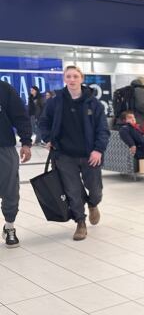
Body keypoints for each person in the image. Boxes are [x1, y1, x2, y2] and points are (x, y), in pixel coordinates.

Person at [39, 65, 110, 241]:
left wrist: (98, 150)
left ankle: (93, 204)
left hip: (90, 155)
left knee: (95, 189)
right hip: (64, 155)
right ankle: (80, 222)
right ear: (64, 79)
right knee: (72, 190)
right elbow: (43, 122)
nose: (72, 79)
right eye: (68, 76)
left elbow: (103, 130)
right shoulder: (55, 102)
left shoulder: (94, 103)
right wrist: (47, 139)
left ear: (81, 78)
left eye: (75, 76)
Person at [0, 81, 32, 247]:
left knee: (10, 190)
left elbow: (20, 116)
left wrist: (26, 142)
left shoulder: (4, 89)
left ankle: (10, 226)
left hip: (3, 147)